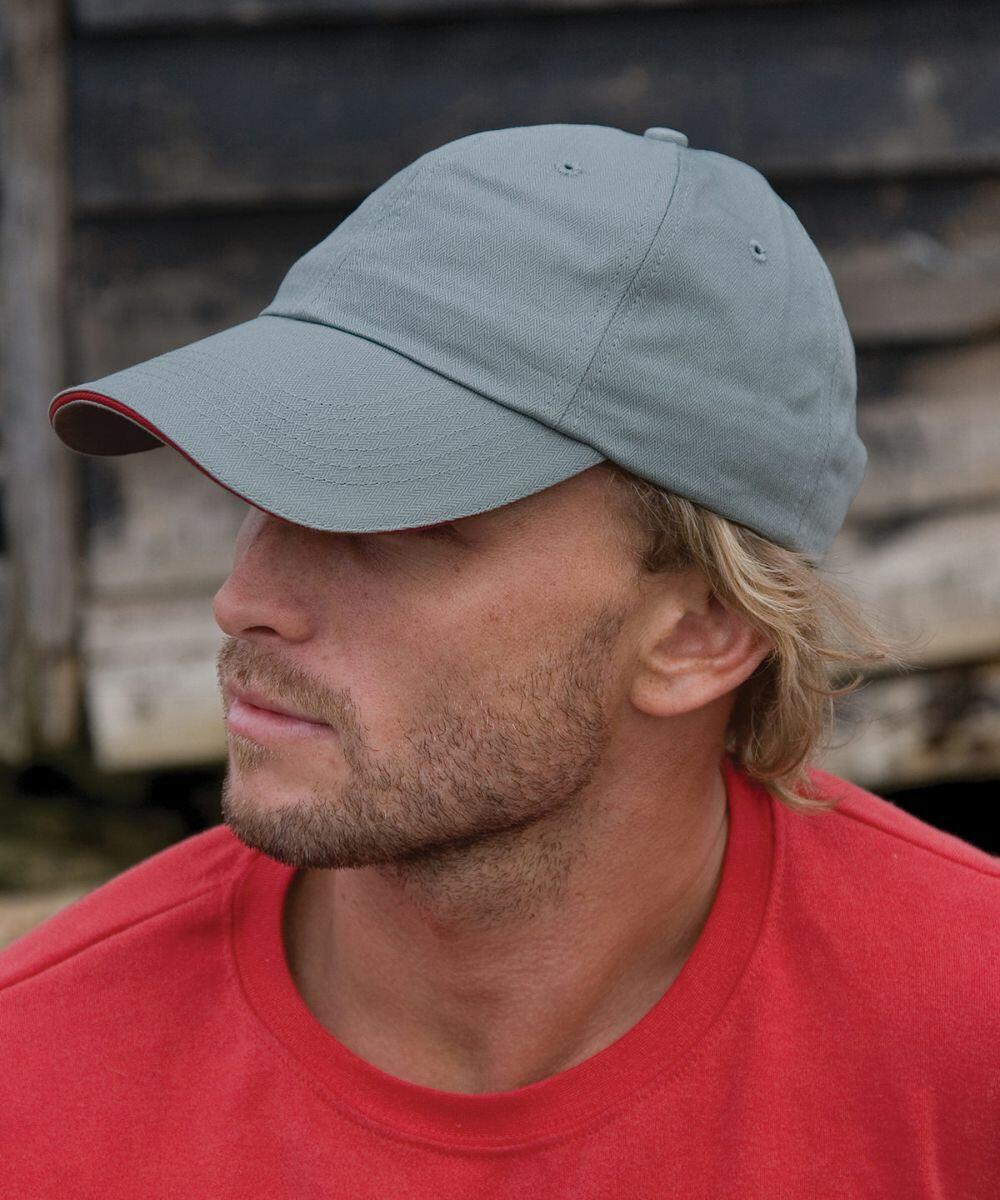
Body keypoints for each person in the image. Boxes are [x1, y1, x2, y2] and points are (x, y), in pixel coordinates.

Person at [3, 123, 997, 1197]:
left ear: (701, 631)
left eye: (389, 527)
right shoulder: (39, 1079)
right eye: (263, 493)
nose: (243, 602)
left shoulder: (963, 1041)